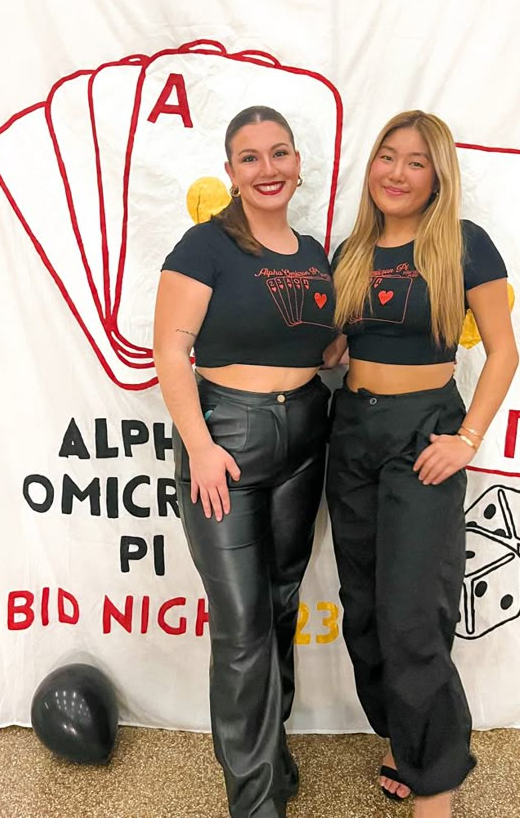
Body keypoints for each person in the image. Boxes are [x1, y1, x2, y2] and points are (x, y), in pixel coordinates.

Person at [324, 110, 518, 818]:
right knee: (367, 611)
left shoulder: (463, 245)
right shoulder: (350, 251)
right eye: (387, 156)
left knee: (412, 614)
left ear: (437, 174)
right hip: (352, 433)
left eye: (414, 161)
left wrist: (466, 437)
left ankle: (435, 783)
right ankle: (405, 737)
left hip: (424, 435)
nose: (396, 172)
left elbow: (503, 350)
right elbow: (339, 346)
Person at [153, 105, 336, 818]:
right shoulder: (205, 246)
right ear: (230, 171)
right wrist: (200, 446)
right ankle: (255, 802)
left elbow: (314, 344)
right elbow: (172, 350)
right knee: (240, 624)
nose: (268, 168)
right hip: (225, 436)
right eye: (250, 156)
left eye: (279, 152)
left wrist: (344, 352)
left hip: (305, 436)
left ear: (298, 163)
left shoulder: (315, 251)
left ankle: (269, 749)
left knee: (280, 602)